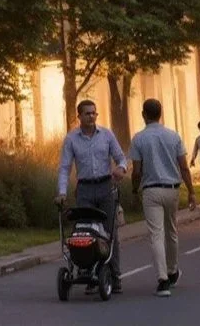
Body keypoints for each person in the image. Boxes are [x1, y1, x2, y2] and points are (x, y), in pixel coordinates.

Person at [55, 98, 128, 293]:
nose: (91, 116)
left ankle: (114, 275)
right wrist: (61, 192)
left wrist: (121, 168)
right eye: (87, 113)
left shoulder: (106, 135)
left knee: (109, 233)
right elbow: (64, 168)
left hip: (105, 186)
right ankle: (89, 274)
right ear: (78, 116)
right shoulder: (71, 139)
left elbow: (121, 157)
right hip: (85, 189)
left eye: (94, 113)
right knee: (85, 232)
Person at [129, 98, 194, 297]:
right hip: (172, 188)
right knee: (172, 231)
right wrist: (191, 190)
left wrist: (134, 188)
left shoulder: (139, 138)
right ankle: (173, 270)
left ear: (144, 115)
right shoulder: (173, 136)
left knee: (156, 235)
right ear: (161, 113)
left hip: (151, 189)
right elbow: (183, 166)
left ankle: (162, 279)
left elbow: (137, 170)